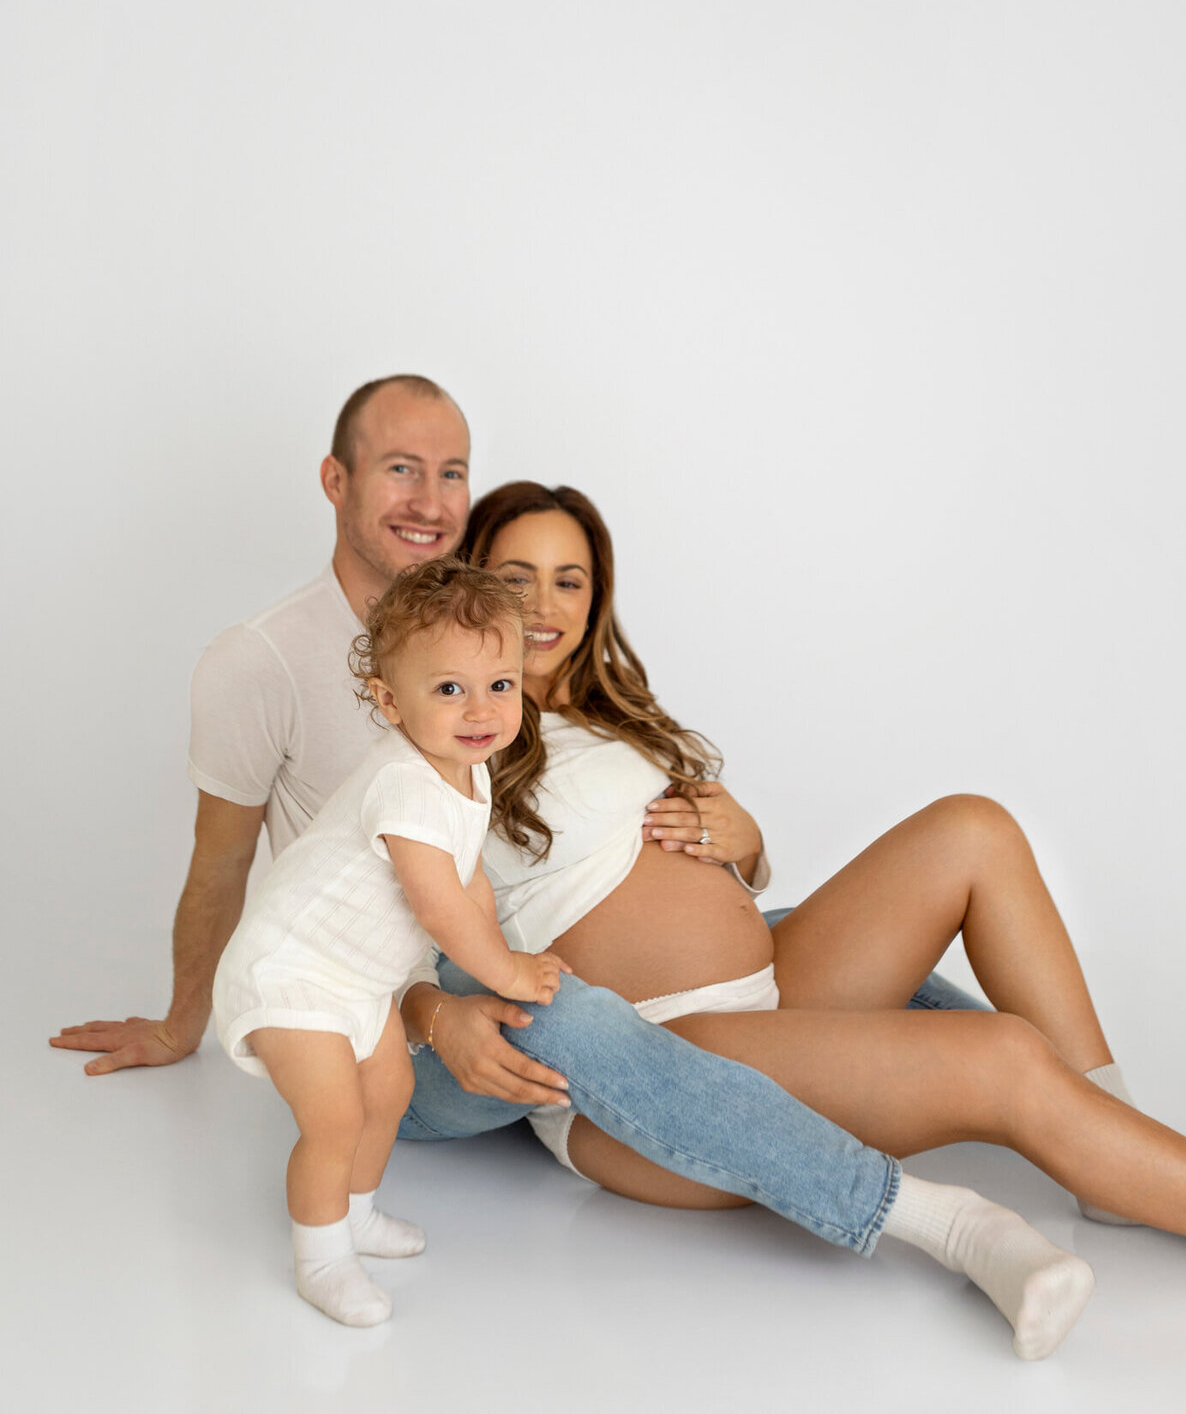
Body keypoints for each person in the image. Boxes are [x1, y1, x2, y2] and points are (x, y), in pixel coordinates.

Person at [52, 373, 954, 1270]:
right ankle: (901, 1197)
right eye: (402, 469)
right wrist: (184, 1023)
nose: (431, 500)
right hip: (389, 1018)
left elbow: (526, 861)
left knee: (796, 945)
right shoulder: (260, 662)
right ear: (336, 481)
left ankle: (1021, 1093)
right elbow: (223, 865)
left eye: (453, 473)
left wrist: (736, 852)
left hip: (519, 976)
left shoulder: (493, 652)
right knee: (561, 1012)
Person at [449, 478, 1186, 1358]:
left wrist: (750, 843)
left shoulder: (612, 717)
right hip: (658, 1059)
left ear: (596, 597)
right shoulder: (455, 734)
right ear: (468, 582)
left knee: (974, 829)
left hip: (762, 988)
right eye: (515, 577)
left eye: (569, 580)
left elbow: (711, 873)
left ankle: (1113, 1145)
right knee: (1000, 1056)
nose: (545, 604)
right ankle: (1131, 1161)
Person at [212, 559, 565, 1325]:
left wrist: (504, 949)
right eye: (448, 689)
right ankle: (321, 1258)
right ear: (389, 701)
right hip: (293, 970)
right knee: (334, 1117)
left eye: (499, 685)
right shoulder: (405, 782)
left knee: (390, 1093)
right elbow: (440, 911)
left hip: (360, 976)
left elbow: (466, 879)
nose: (480, 710)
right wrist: (505, 970)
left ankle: (358, 1212)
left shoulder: (469, 769)